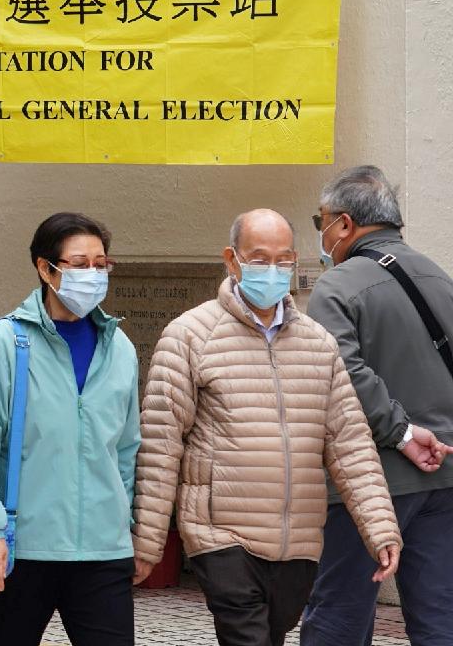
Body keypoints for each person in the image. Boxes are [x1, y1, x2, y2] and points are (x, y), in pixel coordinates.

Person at [133, 209, 403, 646]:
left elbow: (350, 443)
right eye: (260, 258)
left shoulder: (318, 343)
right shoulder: (189, 335)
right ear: (232, 259)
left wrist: (380, 529)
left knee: (271, 636)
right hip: (220, 534)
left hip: (297, 540)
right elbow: (161, 445)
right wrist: (148, 543)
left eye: (283, 259)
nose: (273, 270)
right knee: (247, 637)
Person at [0, 212, 140, 646]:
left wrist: (124, 519)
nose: (92, 274)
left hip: (103, 552)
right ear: (45, 268)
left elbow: (127, 447)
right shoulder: (5, 341)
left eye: (101, 263)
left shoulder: (120, 348)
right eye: (78, 263)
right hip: (20, 549)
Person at [300, 166, 453, 645]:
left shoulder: (337, 285)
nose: (322, 234)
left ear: (344, 224)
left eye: (320, 221)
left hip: (366, 482)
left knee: (339, 615)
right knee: (439, 615)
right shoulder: (439, 276)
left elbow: (341, 372)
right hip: (444, 475)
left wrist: (402, 433)